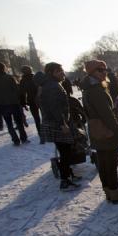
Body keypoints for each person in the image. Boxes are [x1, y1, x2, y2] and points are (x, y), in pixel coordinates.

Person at [80, 60, 118, 203]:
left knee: (104, 162)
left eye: (105, 69)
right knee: (110, 163)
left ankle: (109, 191)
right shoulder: (96, 89)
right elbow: (106, 115)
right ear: (92, 72)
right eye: (100, 70)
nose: (104, 72)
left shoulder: (90, 87)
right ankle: (115, 193)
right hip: (105, 131)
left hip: (97, 130)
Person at [39, 62, 81, 190]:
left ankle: (68, 175)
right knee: (65, 152)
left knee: (65, 151)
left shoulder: (51, 84)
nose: (62, 73)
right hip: (57, 123)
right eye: (59, 71)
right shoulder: (52, 86)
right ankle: (65, 180)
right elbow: (55, 107)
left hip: (55, 122)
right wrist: (62, 123)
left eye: (62, 70)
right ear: (51, 73)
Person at [0, 62, 27, 145]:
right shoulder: (9, 77)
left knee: (9, 123)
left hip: (0, 104)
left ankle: (15, 140)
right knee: (19, 122)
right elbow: (16, 90)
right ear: (3, 68)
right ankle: (23, 138)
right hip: (13, 102)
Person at [18, 65, 45, 144]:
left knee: (36, 119)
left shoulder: (23, 80)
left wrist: (23, 103)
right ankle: (45, 133)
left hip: (31, 101)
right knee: (44, 117)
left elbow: (22, 93)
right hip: (41, 99)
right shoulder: (36, 78)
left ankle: (41, 135)